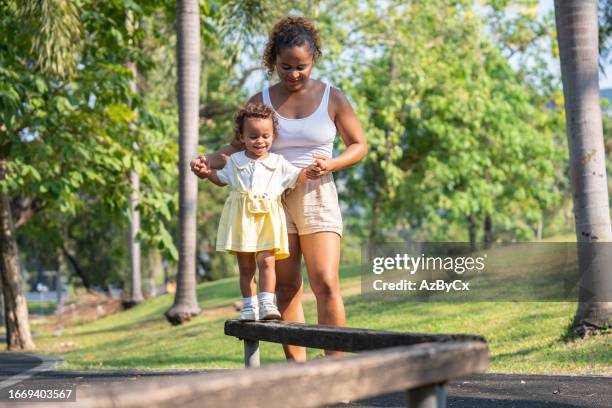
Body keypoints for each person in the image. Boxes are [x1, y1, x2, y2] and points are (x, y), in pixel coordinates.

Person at [191, 16, 367, 359]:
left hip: (317, 192)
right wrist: (209, 161)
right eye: (285, 66)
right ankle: (297, 370)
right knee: (286, 287)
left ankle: (337, 370)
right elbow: (239, 145)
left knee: (326, 282)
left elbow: (358, 145)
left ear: (314, 59)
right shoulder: (262, 99)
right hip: (270, 199)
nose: (294, 74)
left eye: (301, 66)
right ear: (273, 61)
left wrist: (330, 163)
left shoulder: (333, 97)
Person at [195, 103, 314, 321]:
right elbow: (221, 179)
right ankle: (249, 305)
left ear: (273, 136)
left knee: (267, 261)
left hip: (268, 219)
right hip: (242, 220)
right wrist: (206, 173)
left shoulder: (278, 163)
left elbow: (297, 177)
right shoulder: (235, 161)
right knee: (246, 265)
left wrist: (312, 170)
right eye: (253, 136)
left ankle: (267, 302)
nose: (260, 141)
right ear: (241, 137)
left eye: (265, 136)